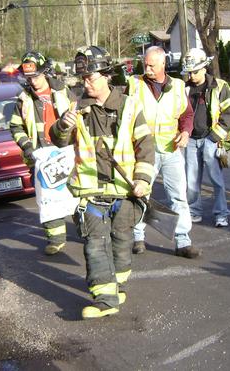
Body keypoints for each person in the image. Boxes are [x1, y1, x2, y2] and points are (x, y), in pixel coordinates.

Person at [50, 45, 154, 319]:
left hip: (125, 193)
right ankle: (105, 300)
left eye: (91, 78)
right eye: (82, 79)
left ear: (106, 75)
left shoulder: (129, 106)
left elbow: (145, 144)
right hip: (91, 194)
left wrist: (142, 179)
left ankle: (117, 285)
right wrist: (63, 125)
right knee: (94, 244)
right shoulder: (76, 109)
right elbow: (58, 140)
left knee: (121, 242)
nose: (86, 83)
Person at [126, 46, 200, 258]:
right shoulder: (134, 85)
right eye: (145, 64)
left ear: (163, 64)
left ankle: (183, 241)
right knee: (140, 193)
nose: (147, 68)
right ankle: (138, 237)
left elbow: (187, 115)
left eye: (151, 65)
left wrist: (185, 133)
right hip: (143, 151)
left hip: (170, 150)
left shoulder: (177, 86)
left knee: (178, 196)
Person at [10, 51, 75, 255]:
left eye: (36, 76)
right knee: (47, 199)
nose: (33, 81)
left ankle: (86, 229)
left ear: (45, 73)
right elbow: (15, 127)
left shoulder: (63, 91)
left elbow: (78, 116)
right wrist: (29, 148)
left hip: (66, 150)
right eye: (29, 77)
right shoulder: (23, 98)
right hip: (39, 155)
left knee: (76, 192)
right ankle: (55, 239)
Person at [181, 48, 230, 227]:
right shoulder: (184, 89)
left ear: (204, 67)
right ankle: (194, 211)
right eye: (189, 72)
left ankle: (222, 214)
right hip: (190, 140)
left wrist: (215, 136)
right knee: (191, 181)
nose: (192, 75)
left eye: (195, 71)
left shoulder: (219, 86)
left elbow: (229, 112)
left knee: (216, 180)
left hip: (210, 139)